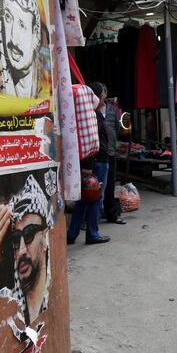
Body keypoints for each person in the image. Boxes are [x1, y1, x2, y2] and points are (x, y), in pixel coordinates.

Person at [0, 173, 55, 323]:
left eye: (29, 234)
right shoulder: (9, 308)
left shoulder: (52, 299)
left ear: (44, 237)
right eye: (17, 238)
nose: (22, 250)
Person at [0, 0, 48, 98]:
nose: (13, 38)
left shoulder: (43, 87)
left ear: (35, 35)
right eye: (8, 18)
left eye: (22, 25)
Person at [67, 82, 111, 245]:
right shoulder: (93, 115)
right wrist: (88, 166)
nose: (104, 99)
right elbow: (91, 140)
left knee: (83, 198)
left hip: (92, 162)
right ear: (97, 96)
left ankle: (72, 234)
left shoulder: (90, 113)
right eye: (103, 96)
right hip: (97, 162)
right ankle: (92, 233)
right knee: (95, 197)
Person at [103, 96, 126, 225]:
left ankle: (111, 215)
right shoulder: (92, 110)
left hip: (110, 151)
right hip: (97, 153)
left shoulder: (111, 109)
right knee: (93, 187)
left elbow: (118, 127)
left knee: (110, 184)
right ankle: (86, 219)